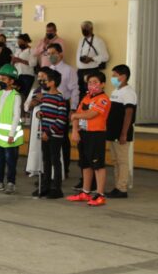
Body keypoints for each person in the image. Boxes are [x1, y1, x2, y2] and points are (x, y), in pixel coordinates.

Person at [67, 71, 111, 207]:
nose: (92, 85)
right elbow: (76, 114)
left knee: (98, 165)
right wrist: (74, 130)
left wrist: (76, 116)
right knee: (85, 164)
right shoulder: (86, 98)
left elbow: (91, 114)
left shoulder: (103, 99)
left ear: (102, 84)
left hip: (96, 135)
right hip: (83, 133)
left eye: (95, 82)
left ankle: (100, 194)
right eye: (90, 82)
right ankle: (85, 192)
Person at [0, 64, 24, 195]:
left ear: (11, 81)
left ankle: (11, 183)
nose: (0, 81)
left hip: (9, 136)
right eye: (0, 79)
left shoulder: (16, 96)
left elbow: (16, 116)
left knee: (11, 161)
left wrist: (12, 134)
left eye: (4, 79)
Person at [48, 43, 79, 178]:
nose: (51, 56)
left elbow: (74, 90)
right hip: (49, 104)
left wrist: (73, 109)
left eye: (53, 53)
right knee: (49, 136)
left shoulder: (69, 70)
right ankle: (49, 168)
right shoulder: (49, 69)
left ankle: (64, 168)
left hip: (63, 104)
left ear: (61, 54)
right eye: (48, 54)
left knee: (62, 138)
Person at [106, 65, 137, 198]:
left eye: (114, 75)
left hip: (121, 133)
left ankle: (122, 188)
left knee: (122, 161)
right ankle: (117, 186)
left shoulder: (129, 92)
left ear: (123, 76)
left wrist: (124, 133)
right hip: (112, 132)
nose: (112, 78)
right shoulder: (115, 91)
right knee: (115, 160)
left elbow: (129, 113)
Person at [36, 69, 67, 199]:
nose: (43, 82)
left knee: (55, 160)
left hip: (54, 135)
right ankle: (45, 186)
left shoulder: (61, 98)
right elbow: (42, 111)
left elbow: (61, 119)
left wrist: (49, 132)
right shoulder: (46, 96)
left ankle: (56, 188)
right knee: (46, 160)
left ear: (52, 82)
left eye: (46, 80)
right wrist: (39, 114)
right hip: (44, 134)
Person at [76, 21, 109, 99]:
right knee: (81, 94)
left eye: (86, 28)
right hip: (80, 71)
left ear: (91, 29)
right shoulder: (81, 40)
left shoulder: (98, 41)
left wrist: (92, 59)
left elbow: (105, 56)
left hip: (91, 71)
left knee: (92, 93)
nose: (84, 30)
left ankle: (91, 110)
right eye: (83, 29)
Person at [12, 33, 37, 99]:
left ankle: (23, 109)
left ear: (26, 42)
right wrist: (13, 61)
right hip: (18, 76)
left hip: (27, 76)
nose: (19, 44)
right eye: (18, 42)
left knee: (24, 95)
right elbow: (14, 64)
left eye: (21, 42)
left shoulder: (31, 51)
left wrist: (20, 60)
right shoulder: (18, 51)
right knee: (17, 95)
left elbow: (34, 63)